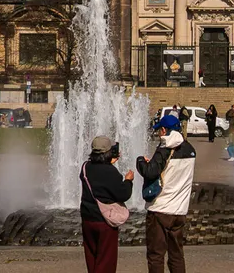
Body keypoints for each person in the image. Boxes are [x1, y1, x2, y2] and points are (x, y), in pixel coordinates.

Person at [136, 114, 196, 273]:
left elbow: (150, 173)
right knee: (177, 254)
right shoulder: (190, 149)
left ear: (164, 130)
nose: (158, 135)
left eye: (159, 131)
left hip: (160, 210)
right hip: (179, 210)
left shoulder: (164, 149)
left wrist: (141, 162)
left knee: (156, 254)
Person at [80, 135, 133, 273]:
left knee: (92, 257)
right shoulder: (111, 172)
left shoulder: (85, 167)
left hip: (87, 218)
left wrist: (108, 163)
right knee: (106, 261)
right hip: (105, 221)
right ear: (109, 152)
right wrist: (128, 180)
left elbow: (98, 173)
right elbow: (123, 194)